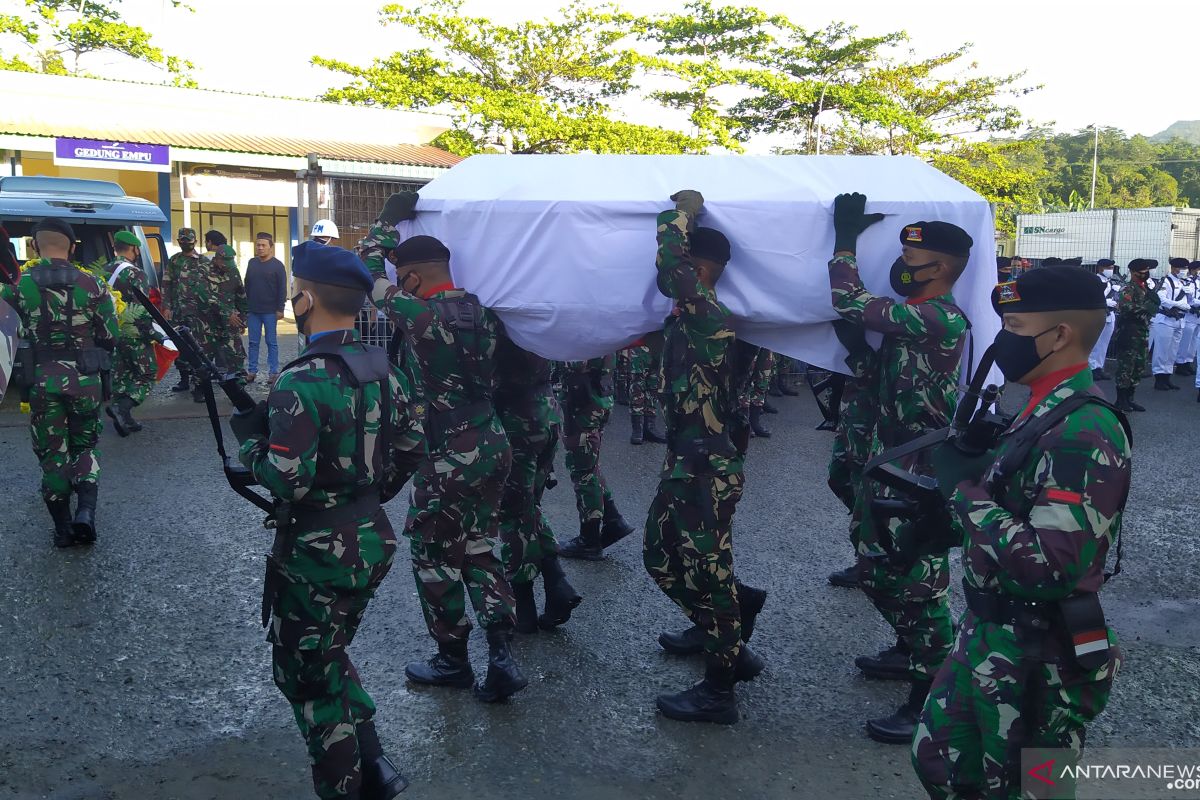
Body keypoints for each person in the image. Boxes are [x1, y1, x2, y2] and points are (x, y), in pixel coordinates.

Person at [913, 264, 1129, 799]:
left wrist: (966, 491)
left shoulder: (1082, 429)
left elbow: (1052, 567)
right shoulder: (1038, 409)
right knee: (940, 761)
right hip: (990, 634)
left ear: (1060, 336)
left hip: (1038, 652)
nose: (1002, 342)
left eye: (1014, 329)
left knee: (1028, 790)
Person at [232, 240, 423, 800]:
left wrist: (250, 448)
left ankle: (344, 787)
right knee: (329, 650)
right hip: (370, 538)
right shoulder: (384, 370)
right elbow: (411, 447)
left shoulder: (301, 380)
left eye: (296, 292)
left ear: (306, 300)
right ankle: (375, 765)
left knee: (308, 680)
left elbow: (284, 479)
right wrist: (368, 494)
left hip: (317, 552)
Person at [358, 193, 527, 702]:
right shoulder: (486, 314)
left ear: (411, 277)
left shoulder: (418, 315)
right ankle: (502, 653)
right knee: (478, 546)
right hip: (493, 441)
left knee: (433, 553)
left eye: (401, 274)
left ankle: (452, 659)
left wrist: (389, 220)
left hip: (450, 451)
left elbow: (367, 263)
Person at [828, 193, 972, 744]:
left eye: (912, 264)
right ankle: (909, 648)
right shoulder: (913, 323)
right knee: (884, 570)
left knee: (912, 584)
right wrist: (860, 354)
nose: (903, 270)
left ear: (940, 269)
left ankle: (930, 697)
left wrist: (843, 241)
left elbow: (850, 301)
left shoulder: (938, 318)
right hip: (890, 463)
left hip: (918, 471)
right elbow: (887, 374)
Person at [641, 190, 767, 725]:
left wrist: (680, 213)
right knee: (658, 554)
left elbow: (671, 264)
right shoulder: (692, 319)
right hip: (687, 460)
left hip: (707, 468)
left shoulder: (706, 313)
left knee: (708, 577)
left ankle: (720, 687)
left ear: (699, 267)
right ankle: (736, 626)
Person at [1, 218, 118, 547]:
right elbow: (111, 337)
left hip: (41, 380)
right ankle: (86, 513)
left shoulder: (18, 285)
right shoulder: (93, 284)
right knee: (85, 446)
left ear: (36, 246)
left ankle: (63, 528)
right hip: (85, 380)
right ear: (72, 246)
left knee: (53, 453)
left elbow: (4, 331)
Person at [494, 332, 581, 633]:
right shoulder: (530, 304)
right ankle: (557, 583)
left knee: (512, 513)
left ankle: (523, 605)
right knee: (528, 506)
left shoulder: (498, 310)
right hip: (544, 410)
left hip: (515, 417)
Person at [555, 355, 638, 560]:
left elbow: (575, 362)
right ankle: (613, 519)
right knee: (590, 465)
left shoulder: (583, 327)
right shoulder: (601, 324)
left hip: (583, 401)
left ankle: (589, 539)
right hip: (597, 395)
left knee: (582, 471)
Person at [104, 231, 160, 436]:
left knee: (121, 374)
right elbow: (143, 308)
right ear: (134, 249)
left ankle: (124, 419)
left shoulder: (104, 271)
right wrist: (154, 334)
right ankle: (123, 408)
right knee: (147, 373)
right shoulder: (136, 274)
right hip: (135, 332)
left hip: (113, 331)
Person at [161, 227, 207, 393]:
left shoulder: (203, 261)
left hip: (198, 314)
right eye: (182, 240)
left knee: (198, 348)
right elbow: (166, 284)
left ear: (194, 241)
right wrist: (165, 306)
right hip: (178, 311)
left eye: (188, 240)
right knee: (180, 346)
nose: (185, 243)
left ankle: (199, 385)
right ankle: (184, 379)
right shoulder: (174, 261)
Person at [1113, 259, 1160, 412]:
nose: (1146, 274)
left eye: (1147, 271)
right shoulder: (1128, 288)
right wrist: (1145, 308)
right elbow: (1124, 306)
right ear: (1134, 272)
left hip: (1142, 331)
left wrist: (1151, 306)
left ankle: (1130, 398)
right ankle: (1120, 400)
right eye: (1143, 271)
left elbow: (1151, 306)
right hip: (1128, 332)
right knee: (1126, 366)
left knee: (1139, 366)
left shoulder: (1144, 288)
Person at [244, 232, 287, 384]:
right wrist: (245, 307)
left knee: (271, 342)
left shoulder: (278, 266)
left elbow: (282, 289)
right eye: (258, 245)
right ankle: (252, 371)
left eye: (263, 245)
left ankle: (273, 372)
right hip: (253, 311)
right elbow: (247, 285)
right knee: (253, 342)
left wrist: (280, 309)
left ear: (270, 247)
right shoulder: (252, 263)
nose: (260, 248)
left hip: (270, 311)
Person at [205, 230, 249, 376]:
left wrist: (243, 318)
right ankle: (201, 388)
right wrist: (227, 313)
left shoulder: (233, 271)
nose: (228, 266)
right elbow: (206, 297)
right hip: (208, 321)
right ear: (217, 259)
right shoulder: (204, 271)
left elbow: (241, 295)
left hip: (230, 321)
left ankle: (237, 382)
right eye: (225, 262)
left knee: (236, 352)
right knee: (204, 356)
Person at [1150, 257, 1190, 390]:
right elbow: (1162, 300)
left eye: (1185, 268)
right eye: (1181, 268)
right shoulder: (1165, 282)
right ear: (1173, 268)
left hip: (1179, 321)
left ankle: (1167, 376)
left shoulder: (1183, 283)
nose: (1184, 271)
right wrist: (1181, 305)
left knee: (1172, 352)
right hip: (1165, 321)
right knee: (1162, 351)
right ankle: (1159, 379)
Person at [627, 339, 667, 445]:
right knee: (637, 386)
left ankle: (650, 427)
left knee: (654, 386)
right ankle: (637, 429)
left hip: (657, 344)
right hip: (640, 344)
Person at [1087, 259, 1120, 381]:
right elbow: (1090, 298)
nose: (1110, 270)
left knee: (1104, 344)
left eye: (1112, 267)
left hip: (1110, 315)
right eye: (1108, 268)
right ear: (1100, 268)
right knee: (1095, 343)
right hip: (1098, 315)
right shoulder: (1093, 280)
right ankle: (1091, 368)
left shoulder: (1111, 281)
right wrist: (1107, 302)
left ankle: (1099, 367)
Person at [1176, 260, 1200, 377]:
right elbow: (1189, 299)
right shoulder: (1187, 282)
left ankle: (1188, 362)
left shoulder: (1199, 281)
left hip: (1198, 316)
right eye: (1198, 269)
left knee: (1194, 341)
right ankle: (1181, 363)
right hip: (1190, 314)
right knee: (1186, 340)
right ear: (1193, 270)